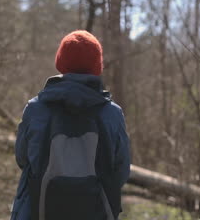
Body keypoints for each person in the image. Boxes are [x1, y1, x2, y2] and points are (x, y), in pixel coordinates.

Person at [10, 30, 130, 220]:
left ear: (61, 62)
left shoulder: (35, 109)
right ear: (97, 66)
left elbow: (23, 159)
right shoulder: (112, 114)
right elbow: (121, 171)